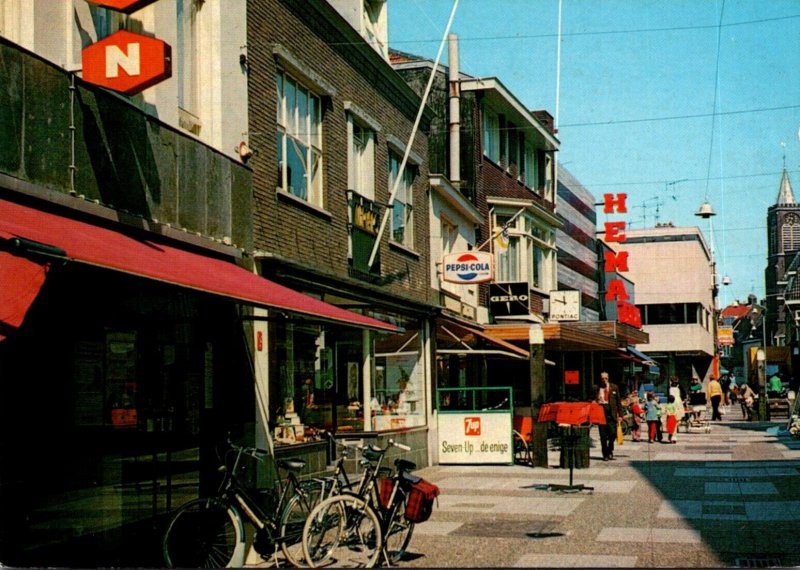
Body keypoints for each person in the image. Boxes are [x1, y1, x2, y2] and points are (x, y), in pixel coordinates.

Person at [594, 371, 624, 461]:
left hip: (612, 413)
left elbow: (618, 402)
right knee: (603, 436)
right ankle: (605, 454)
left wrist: (621, 415)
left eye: (605, 378)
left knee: (613, 433)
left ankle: (610, 448)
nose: (604, 380)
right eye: (602, 378)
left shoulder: (614, 387)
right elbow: (592, 400)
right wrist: (596, 401)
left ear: (608, 378)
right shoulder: (597, 388)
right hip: (601, 412)